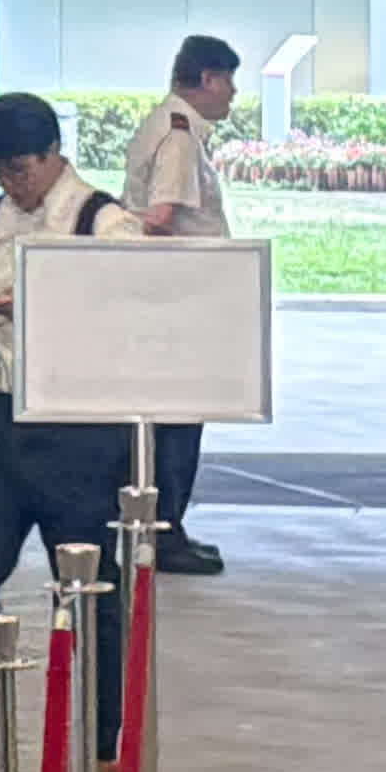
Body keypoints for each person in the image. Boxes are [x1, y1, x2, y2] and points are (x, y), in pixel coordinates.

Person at [0, 92, 141, 728]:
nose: (11, 184)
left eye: (21, 169)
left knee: (87, 591)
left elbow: (130, 317)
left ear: (54, 154)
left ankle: (104, 747)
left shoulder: (105, 222)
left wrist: (33, 305)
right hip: (2, 419)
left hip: (82, 428)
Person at [118, 35, 242, 577]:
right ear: (208, 79)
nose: (233, 93)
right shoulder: (180, 136)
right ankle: (164, 532)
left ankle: (166, 527)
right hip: (177, 295)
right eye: (229, 81)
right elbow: (159, 217)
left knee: (168, 419)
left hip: (164, 294)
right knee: (178, 419)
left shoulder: (164, 123)